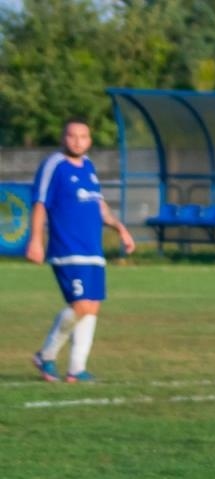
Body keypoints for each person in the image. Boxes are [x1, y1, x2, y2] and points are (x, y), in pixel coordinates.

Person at [25, 117, 135, 384]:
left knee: (91, 308)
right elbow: (40, 203)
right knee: (82, 305)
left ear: (90, 140)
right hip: (68, 247)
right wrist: (36, 239)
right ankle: (46, 355)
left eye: (83, 136)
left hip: (93, 249)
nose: (77, 141)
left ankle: (76, 369)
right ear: (64, 138)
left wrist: (120, 228)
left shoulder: (89, 167)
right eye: (72, 136)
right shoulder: (54, 165)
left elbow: (98, 205)